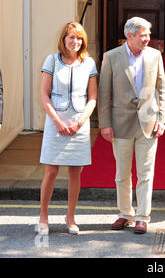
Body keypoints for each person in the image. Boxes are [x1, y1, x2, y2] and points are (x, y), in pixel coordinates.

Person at [98, 17, 165, 234]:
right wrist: (105, 124)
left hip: (148, 122)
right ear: (129, 36)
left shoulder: (155, 55)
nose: (147, 38)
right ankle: (125, 213)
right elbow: (103, 93)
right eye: (143, 35)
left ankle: (142, 216)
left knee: (146, 173)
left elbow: (162, 88)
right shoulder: (111, 57)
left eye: (148, 34)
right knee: (122, 173)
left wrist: (162, 119)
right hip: (120, 124)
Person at [38, 22, 98, 236]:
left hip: (79, 123)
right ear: (63, 39)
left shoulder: (89, 63)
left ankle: (70, 216)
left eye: (79, 38)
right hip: (56, 122)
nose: (75, 41)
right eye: (71, 37)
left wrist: (80, 122)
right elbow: (44, 95)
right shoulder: (52, 61)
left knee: (75, 171)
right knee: (51, 171)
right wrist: (58, 122)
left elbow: (93, 98)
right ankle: (43, 215)